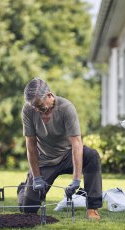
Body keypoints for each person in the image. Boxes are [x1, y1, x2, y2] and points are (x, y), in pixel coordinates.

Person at [18, 77, 102, 220]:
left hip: (67, 155)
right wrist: (37, 177)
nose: (38, 111)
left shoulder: (66, 108)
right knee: (28, 209)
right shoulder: (28, 110)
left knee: (92, 156)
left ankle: (92, 209)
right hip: (45, 159)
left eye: (41, 107)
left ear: (50, 96)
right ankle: (23, 189)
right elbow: (31, 145)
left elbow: (76, 143)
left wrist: (76, 180)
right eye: (35, 108)